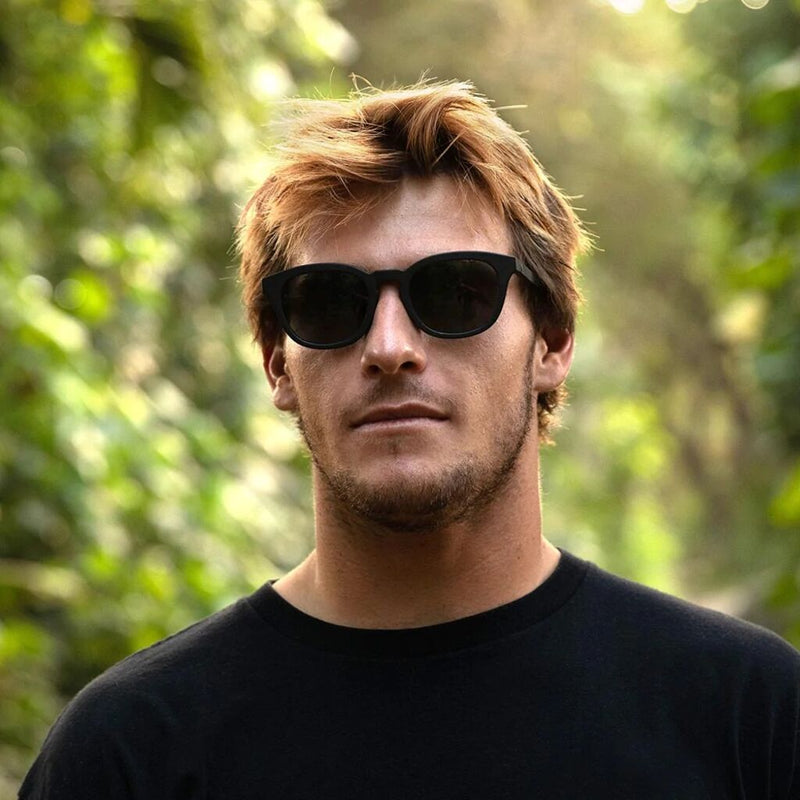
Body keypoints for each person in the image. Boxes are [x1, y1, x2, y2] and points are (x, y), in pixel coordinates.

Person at [20, 81, 800, 799]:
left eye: (456, 291)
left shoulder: (749, 716)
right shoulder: (129, 753)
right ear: (277, 364)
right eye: (329, 302)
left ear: (553, 341)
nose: (390, 347)